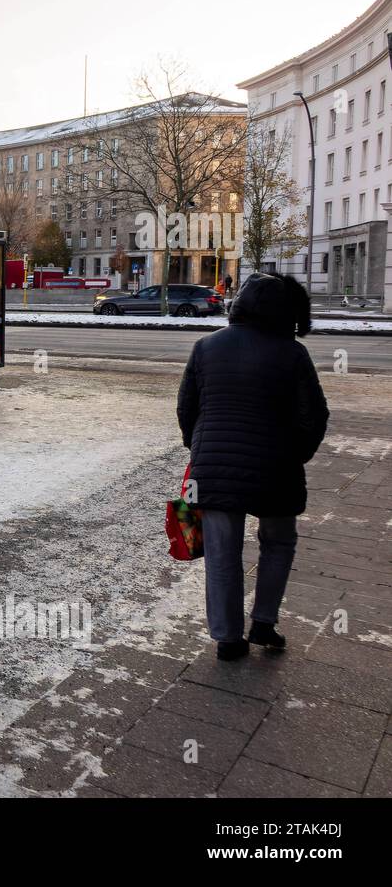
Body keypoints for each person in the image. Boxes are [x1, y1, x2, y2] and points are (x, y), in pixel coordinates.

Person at [177, 272, 328, 661]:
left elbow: (186, 408)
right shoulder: (292, 353)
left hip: (213, 466)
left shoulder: (206, 346)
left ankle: (228, 638)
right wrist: (296, 455)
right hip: (277, 468)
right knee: (278, 542)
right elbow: (314, 416)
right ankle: (264, 623)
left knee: (223, 552)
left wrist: (199, 447)